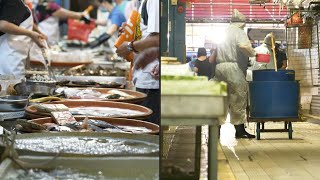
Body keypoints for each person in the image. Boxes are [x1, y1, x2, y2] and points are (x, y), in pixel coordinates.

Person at [213, 9, 256, 138]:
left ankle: (216, 130)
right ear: (242, 23)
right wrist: (254, 54)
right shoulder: (239, 32)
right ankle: (239, 130)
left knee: (221, 99)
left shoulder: (224, 32)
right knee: (238, 97)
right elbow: (243, 46)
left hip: (219, 67)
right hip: (234, 68)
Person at [115, 0, 159, 125]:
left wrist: (130, 46)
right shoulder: (143, 3)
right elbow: (147, 34)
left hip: (152, 80)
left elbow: (157, 39)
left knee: (150, 127)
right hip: (144, 77)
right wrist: (131, 31)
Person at [0, 0, 45, 79]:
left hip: (11, 57)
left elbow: (19, 18)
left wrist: (37, 32)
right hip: (11, 60)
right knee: (11, 87)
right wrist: (30, 34)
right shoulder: (13, 2)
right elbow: (3, 25)